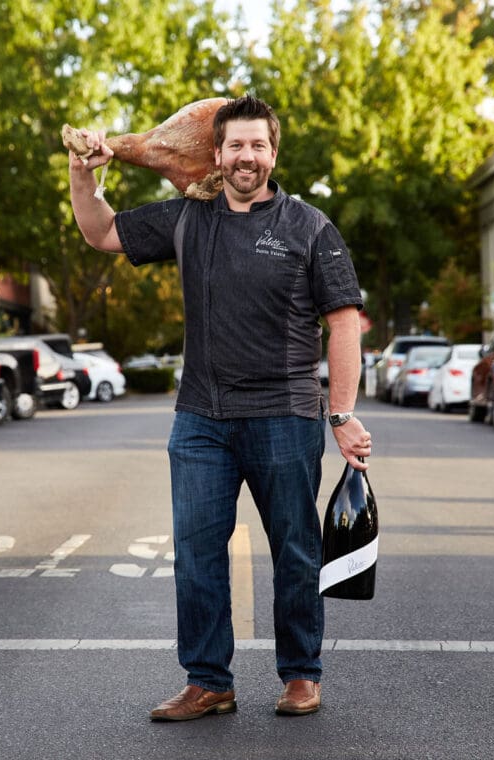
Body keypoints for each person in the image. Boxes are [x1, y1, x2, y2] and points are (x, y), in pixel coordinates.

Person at [68, 95, 372, 720]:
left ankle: (301, 674)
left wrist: (341, 415)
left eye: (258, 145)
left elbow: (343, 323)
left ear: (273, 153)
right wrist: (83, 175)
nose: (246, 156)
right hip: (200, 420)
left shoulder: (309, 226)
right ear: (217, 153)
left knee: (295, 550)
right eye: (236, 145)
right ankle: (208, 681)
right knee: (197, 553)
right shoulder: (188, 217)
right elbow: (101, 231)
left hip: (284, 415)